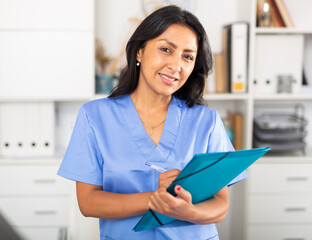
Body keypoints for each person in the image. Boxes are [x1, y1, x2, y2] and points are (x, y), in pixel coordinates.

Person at [57, 5, 247, 240]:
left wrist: (190, 210)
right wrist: (154, 198)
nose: (176, 65)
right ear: (139, 52)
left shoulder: (206, 121)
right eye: (166, 49)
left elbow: (221, 204)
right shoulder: (95, 116)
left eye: (187, 56)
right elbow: (88, 202)